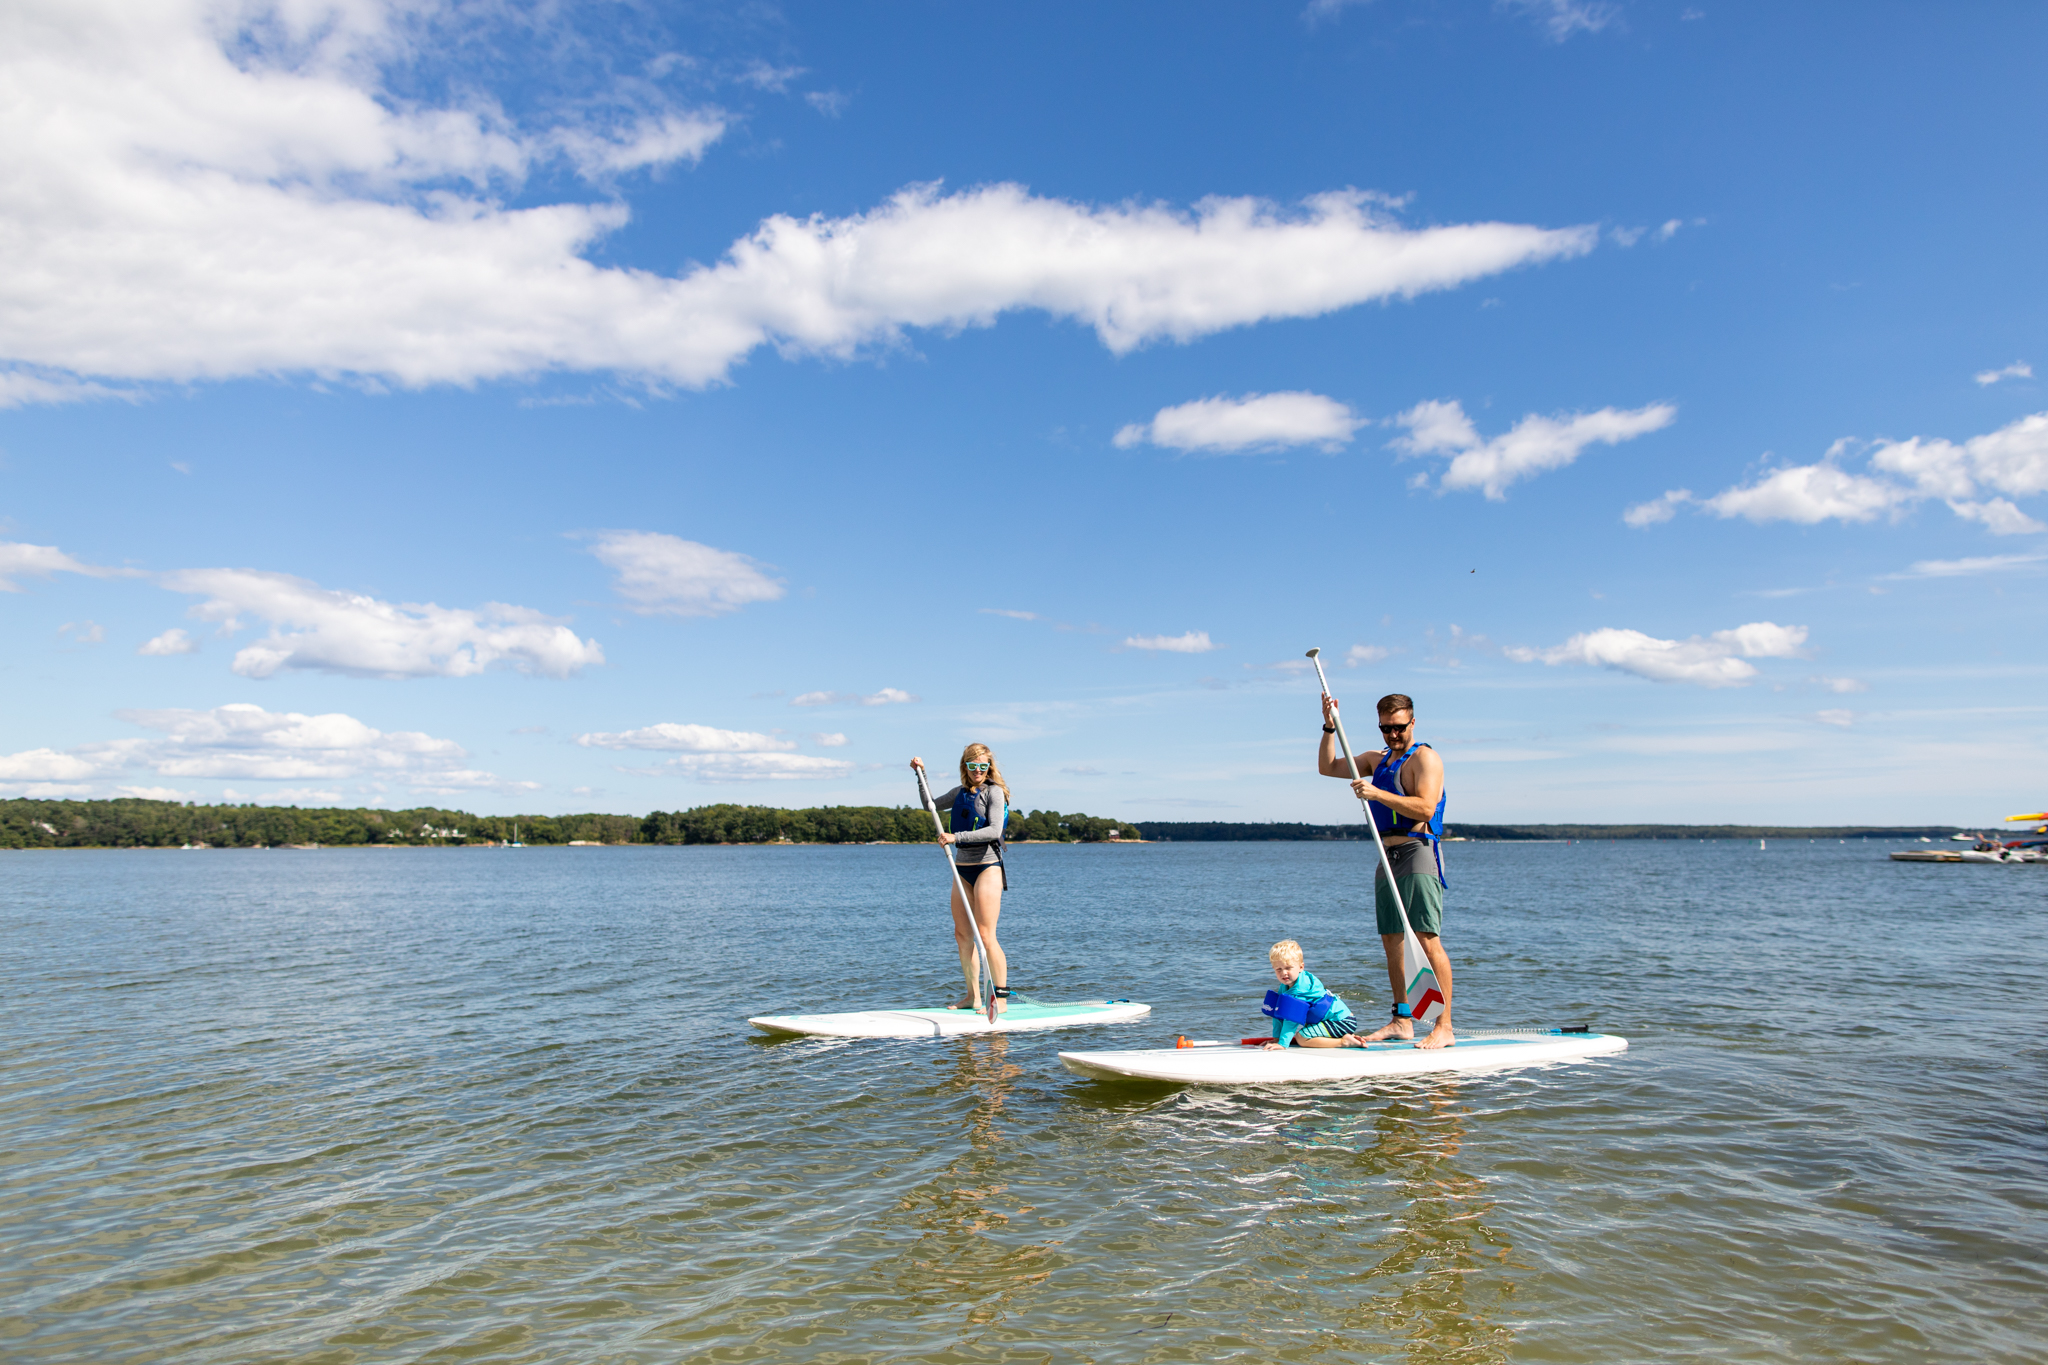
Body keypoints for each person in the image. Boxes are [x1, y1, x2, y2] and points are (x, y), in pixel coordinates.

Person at [1318, 691, 1455, 1049]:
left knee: (1426, 939)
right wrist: (1329, 727)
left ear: (1412, 722)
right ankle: (1402, 1020)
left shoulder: (1426, 759)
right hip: (1386, 853)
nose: (1392, 735)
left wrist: (1376, 794)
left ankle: (1444, 1026)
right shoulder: (1376, 760)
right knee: (1392, 940)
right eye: (1385, 728)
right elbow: (1327, 766)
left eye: (1398, 727)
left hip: (1418, 850)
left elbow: (1425, 808)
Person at [910, 745, 1012, 1013]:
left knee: (986, 936)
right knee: (962, 935)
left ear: (989, 766)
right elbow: (929, 804)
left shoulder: (995, 792)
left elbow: (993, 830)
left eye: (982, 766)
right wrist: (922, 775)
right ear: (965, 767)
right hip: (961, 867)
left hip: (987, 866)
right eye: (972, 766)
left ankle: (999, 1000)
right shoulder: (958, 793)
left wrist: (957, 837)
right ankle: (973, 996)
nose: (978, 771)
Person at [1258, 939, 1364, 1049]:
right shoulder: (1286, 985)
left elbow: (1291, 1019)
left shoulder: (1300, 990)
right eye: (1279, 969)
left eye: (1288, 968)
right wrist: (1277, 1038)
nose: (1284, 973)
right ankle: (1342, 1037)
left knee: (1302, 1038)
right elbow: (1278, 1011)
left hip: (1342, 1022)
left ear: (1301, 967)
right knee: (1300, 1030)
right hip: (1330, 1022)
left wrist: (1282, 1044)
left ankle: (1344, 1042)